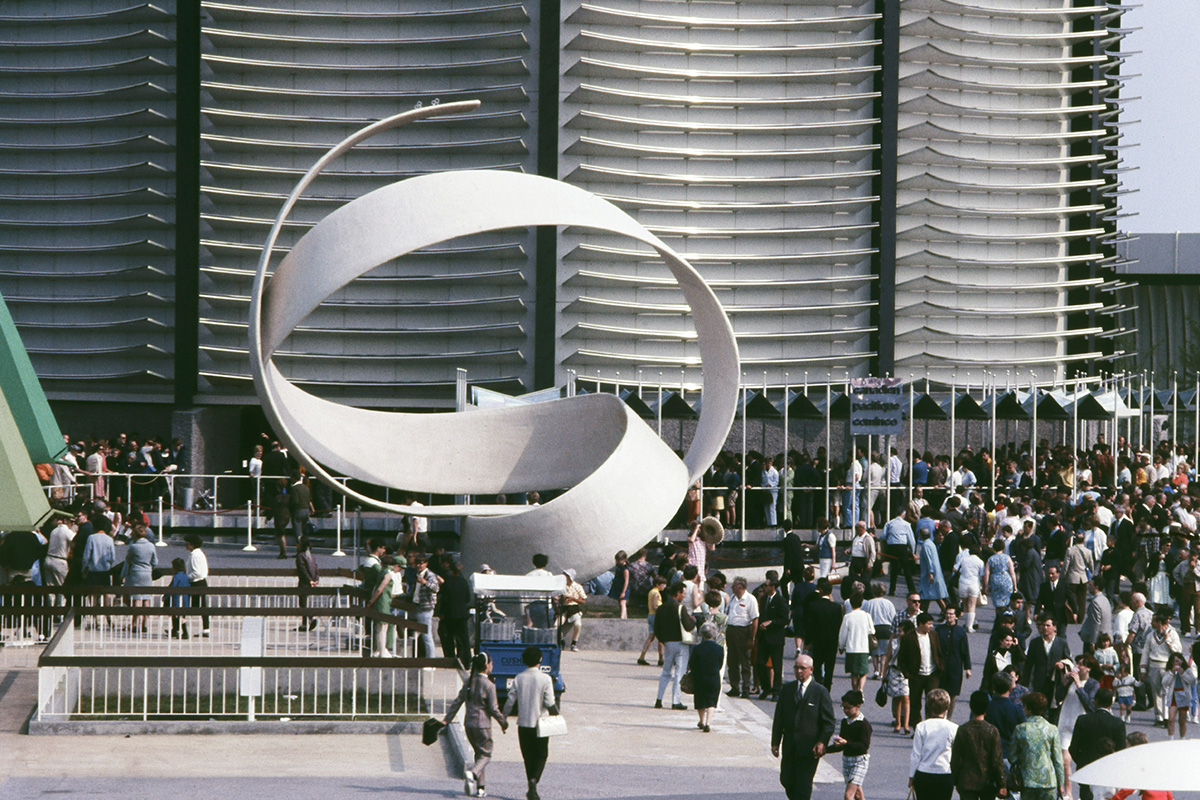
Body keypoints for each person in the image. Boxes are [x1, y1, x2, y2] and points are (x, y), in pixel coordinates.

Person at [443, 652, 508, 798]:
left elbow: (457, 702)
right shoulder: (489, 685)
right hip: (483, 725)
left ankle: (480, 788)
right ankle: (472, 773)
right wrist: (503, 722)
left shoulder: (469, 682)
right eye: (491, 664)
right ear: (486, 666)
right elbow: (494, 709)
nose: (492, 666)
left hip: (469, 724)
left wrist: (447, 719)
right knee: (486, 754)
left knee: (479, 754)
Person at [771, 654, 836, 800]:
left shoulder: (820, 692)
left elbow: (829, 722)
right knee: (787, 779)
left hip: (809, 748)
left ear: (811, 669)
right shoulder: (787, 689)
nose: (799, 671)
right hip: (790, 745)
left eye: (803, 668)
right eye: (796, 667)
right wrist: (775, 742)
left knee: (803, 784)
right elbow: (779, 718)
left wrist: (822, 742)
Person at [502, 646, 559, 800]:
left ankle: (531, 784)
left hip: (523, 724)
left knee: (528, 756)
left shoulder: (519, 678)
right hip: (541, 724)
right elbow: (549, 702)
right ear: (540, 660)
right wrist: (557, 716)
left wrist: (504, 718)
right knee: (541, 754)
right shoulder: (545, 679)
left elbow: (510, 701)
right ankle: (534, 782)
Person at [1069, 687, 1125, 800]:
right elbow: (1122, 750)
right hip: (1108, 770)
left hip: (1086, 768)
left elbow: (1073, 748)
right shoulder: (1118, 723)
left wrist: (1081, 761)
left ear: (1096, 701)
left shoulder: (1083, 720)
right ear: (1110, 703)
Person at [1009, 692, 1066, 800]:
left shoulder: (1021, 729)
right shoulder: (1052, 729)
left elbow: (1013, 756)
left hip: (1028, 780)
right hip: (1049, 781)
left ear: (1029, 709)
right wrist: (1060, 783)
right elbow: (1058, 759)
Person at [952, 690, 1007, 800]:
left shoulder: (963, 729)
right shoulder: (992, 730)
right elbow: (996, 760)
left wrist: (954, 779)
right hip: (987, 782)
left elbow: (956, 758)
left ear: (971, 707)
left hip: (966, 781)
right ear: (987, 708)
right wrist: (1002, 783)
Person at [897, 612, 944, 728]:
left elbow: (939, 652)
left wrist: (941, 668)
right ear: (921, 624)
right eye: (929, 624)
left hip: (932, 674)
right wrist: (907, 673)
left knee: (932, 703)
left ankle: (930, 728)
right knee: (915, 704)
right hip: (916, 675)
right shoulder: (908, 638)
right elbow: (901, 658)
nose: (931, 626)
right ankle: (917, 728)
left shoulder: (934, 635)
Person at [909, 688, 958, 800]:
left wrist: (911, 776)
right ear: (947, 707)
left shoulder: (921, 726)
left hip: (924, 774)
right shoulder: (954, 728)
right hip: (945, 774)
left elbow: (916, 755)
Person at [654, 581, 696, 710]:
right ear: (678, 594)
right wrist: (693, 621)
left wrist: (663, 640)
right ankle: (675, 701)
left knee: (665, 672)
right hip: (680, 643)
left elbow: (656, 628)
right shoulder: (680, 608)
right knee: (679, 672)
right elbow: (688, 626)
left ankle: (659, 699)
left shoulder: (661, 608)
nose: (684, 596)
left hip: (667, 643)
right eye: (683, 593)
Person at [827, 689, 873, 800]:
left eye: (848, 708)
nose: (845, 710)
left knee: (848, 795)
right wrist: (827, 749)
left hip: (859, 762)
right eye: (843, 707)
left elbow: (863, 747)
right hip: (847, 761)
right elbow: (842, 745)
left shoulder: (863, 724)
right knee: (857, 794)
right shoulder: (845, 722)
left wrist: (846, 743)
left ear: (857, 706)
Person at [805, 578, 845, 690]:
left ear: (821, 590)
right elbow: (839, 625)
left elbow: (810, 626)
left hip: (817, 640)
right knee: (829, 667)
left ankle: (819, 681)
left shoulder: (813, 606)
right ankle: (827, 687)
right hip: (832, 642)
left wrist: (807, 641)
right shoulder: (836, 607)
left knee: (816, 665)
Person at [724, 576, 759, 698]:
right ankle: (735, 687)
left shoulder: (750, 599)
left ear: (739, 587)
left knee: (744, 661)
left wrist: (752, 637)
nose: (731, 587)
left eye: (733, 585)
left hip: (743, 630)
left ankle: (746, 688)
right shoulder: (733, 598)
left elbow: (755, 619)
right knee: (732, 661)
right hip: (732, 629)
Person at [936, 605, 972, 719]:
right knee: (940, 693)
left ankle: (949, 718)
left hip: (955, 666)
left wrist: (968, 668)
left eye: (951, 614)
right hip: (941, 665)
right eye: (947, 613)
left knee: (952, 694)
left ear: (956, 616)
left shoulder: (960, 631)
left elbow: (965, 650)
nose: (949, 616)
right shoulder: (939, 630)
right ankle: (939, 715)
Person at [122, 524, 157, 634]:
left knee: (136, 598)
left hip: (136, 573)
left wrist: (123, 575)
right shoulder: (151, 546)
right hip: (147, 573)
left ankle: (135, 624)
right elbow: (155, 562)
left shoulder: (134, 547)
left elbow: (128, 560)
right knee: (146, 599)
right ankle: (145, 624)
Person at [757, 579, 788, 700]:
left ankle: (776, 690)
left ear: (773, 587)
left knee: (776, 665)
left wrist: (771, 623)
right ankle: (766, 687)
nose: (765, 587)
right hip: (764, 637)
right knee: (760, 663)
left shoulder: (780, 601)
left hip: (775, 638)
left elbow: (784, 619)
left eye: (767, 585)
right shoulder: (764, 599)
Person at [838, 592, 876, 693]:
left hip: (851, 648)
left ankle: (855, 691)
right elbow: (872, 631)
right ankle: (861, 689)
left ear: (850, 603)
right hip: (864, 648)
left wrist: (841, 646)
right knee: (863, 672)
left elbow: (843, 634)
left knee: (854, 674)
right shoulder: (866, 616)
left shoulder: (847, 617)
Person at [367, 556, 404, 657]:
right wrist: (372, 600)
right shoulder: (389, 573)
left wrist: (371, 600)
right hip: (383, 602)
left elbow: (376, 587)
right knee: (383, 627)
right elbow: (380, 588)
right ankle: (382, 650)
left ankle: (380, 650)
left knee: (381, 627)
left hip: (381, 602)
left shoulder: (382, 572)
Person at [690, 621, 724, 732]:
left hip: (700, 677)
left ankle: (702, 720)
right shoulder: (719, 648)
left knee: (700, 700)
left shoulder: (697, 648)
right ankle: (708, 722)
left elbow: (692, 663)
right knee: (712, 700)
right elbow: (720, 663)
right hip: (713, 676)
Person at [887, 619, 915, 734]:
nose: (898, 633)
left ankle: (906, 724)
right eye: (898, 630)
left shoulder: (911, 642)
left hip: (905, 672)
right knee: (896, 697)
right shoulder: (893, 642)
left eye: (901, 631)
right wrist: (884, 673)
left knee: (906, 697)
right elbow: (888, 656)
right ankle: (898, 723)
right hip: (894, 670)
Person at [411, 553, 442, 658]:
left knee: (426, 635)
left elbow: (436, 588)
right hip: (418, 606)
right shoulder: (417, 574)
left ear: (426, 564)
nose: (419, 565)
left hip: (426, 607)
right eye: (417, 563)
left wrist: (425, 582)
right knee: (420, 634)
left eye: (421, 563)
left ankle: (431, 660)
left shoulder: (429, 575)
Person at [1161, 651, 1196, 739]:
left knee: (1182, 720)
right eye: (1176, 661)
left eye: (1179, 660)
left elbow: (1192, 681)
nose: (1178, 663)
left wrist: (1183, 673)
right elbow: (1164, 682)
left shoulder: (1187, 670)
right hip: (1173, 695)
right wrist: (1172, 673)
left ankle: (1182, 739)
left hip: (1183, 695)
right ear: (1172, 662)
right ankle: (1171, 739)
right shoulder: (1169, 671)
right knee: (1171, 719)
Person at [183, 533, 210, 637]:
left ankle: (179, 627)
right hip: (201, 581)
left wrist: (186, 577)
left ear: (191, 544)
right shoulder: (199, 553)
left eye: (187, 543)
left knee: (185, 604)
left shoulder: (195, 555)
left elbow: (197, 572)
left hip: (196, 583)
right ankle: (206, 628)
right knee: (202, 607)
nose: (185, 545)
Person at [638, 574, 667, 666]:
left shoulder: (651, 592)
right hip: (656, 616)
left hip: (650, 615)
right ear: (658, 584)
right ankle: (661, 659)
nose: (664, 586)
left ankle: (642, 656)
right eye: (663, 584)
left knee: (651, 637)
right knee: (661, 638)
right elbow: (655, 606)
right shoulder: (656, 593)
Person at [918, 528, 949, 613]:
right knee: (936, 596)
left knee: (928, 595)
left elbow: (929, 560)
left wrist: (930, 573)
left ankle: (945, 613)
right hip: (935, 572)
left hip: (929, 574)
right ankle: (945, 612)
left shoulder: (926, 545)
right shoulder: (931, 543)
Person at [294, 535, 319, 631]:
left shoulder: (300, 556)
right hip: (312, 581)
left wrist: (309, 580)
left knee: (302, 603)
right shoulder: (311, 556)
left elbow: (302, 570)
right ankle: (305, 623)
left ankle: (310, 618)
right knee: (303, 602)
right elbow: (316, 568)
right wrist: (315, 580)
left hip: (304, 582)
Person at [557, 568, 586, 652]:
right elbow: (557, 599)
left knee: (578, 624)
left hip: (574, 608)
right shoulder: (561, 587)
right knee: (556, 625)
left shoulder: (577, 586)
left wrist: (573, 598)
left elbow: (583, 601)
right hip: (564, 608)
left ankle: (574, 643)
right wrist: (563, 599)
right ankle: (561, 642)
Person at [984, 540, 1017, 612]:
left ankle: (998, 617)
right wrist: (1015, 585)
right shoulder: (1007, 557)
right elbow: (1012, 572)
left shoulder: (991, 559)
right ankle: (1006, 616)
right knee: (1007, 601)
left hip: (995, 580)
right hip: (1006, 579)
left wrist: (986, 585)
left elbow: (987, 573)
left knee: (997, 602)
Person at [166, 557, 191, 639]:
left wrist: (166, 596)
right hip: (185, 598)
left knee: (175, 615)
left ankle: (178, 631)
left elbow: (172, 587)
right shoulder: (185, 576)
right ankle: (179, 630)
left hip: (177, 598)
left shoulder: (176, 576)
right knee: (182, 616)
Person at [608, 550, 631, 619]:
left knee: (622, 603)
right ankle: (625, 617)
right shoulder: (619, 568)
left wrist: (623, 592)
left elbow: (626, 581)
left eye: (619, 560)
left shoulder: (625, 569)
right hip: (618, 587)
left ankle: (622, 617)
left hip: (623, 588)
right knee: (620, 603)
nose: (618, 562)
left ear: (624, 559)